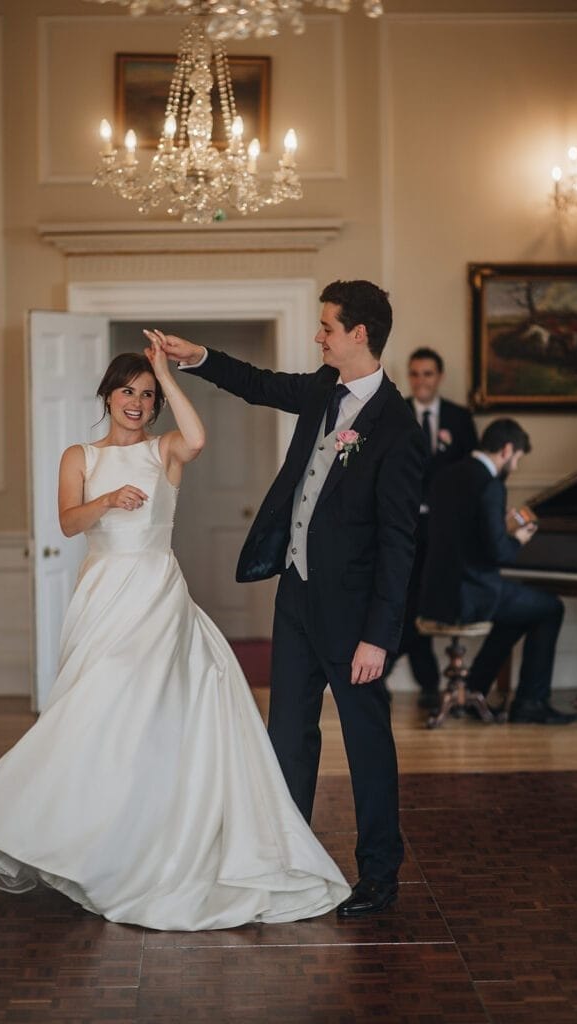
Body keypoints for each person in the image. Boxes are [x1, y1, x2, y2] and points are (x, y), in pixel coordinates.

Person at [0, 343, 351, 930]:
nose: (137, 403)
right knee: (91, 714)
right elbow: (66, 521)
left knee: (145, 712)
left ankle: (147, 842)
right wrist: (107, 500)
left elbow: (198, 437)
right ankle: (81, 835)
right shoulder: (78, 455)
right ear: (107, 395)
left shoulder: (166, 452)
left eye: (147, 394)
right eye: (128, 390)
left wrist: (168, 372)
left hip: (157, 592)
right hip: (101, 592)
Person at [153, 279, 426, 918]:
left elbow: (399, 545)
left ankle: (380, 875)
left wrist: (379, 636)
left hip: (356, 619)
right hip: (296, 596)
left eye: (327, 326)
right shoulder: (321, 389)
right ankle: (288, 860)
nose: (317, 335)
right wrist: (197, 357)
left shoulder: (398, 428)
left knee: (367, 746)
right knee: (288, 737)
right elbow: (261, 384)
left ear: (359, 334)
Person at [419, 418, 577, 725]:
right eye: (517, 458)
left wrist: (496, 527)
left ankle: (476, 686)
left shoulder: (445, 476)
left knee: (519, 611)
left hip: (435, 593)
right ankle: (531, 702)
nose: (515, 466)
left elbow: (462, 534)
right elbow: (498, 553)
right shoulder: (490, 485)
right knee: (549, 608)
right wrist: (517, 538)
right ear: (507, 450)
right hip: (470, 594)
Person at [399, 347, 478, 709]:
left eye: (427, 374)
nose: (420, 381)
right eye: (415, 374)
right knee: (407, 601)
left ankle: (433, 683)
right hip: (405, 526)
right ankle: (426, 679)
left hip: (446, 530)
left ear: (439, 377)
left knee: (435, 601)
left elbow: (473, 476)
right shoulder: (396, 412)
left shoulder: (460, 419)